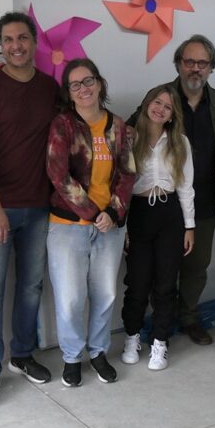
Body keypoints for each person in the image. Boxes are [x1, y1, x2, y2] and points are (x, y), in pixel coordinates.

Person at [0, 11, 59, 405]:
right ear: (0, 45)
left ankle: (22, 354)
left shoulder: (50, 88)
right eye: (8, 39)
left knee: (31, 287)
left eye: (22, 38)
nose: (16, 45)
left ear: (34, 42)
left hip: (39, 208)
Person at [127, 35, 215, 345]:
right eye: (189, 61)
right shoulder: (161, 97)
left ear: (211, 67)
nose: (195, 68)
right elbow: (131, 132)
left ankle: (188, 317)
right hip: (161, 202)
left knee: (196, 265)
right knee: (157, 268)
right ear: (178, 64)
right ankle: (158, 323)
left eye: (202, 63)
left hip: (203, 199)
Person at [46, 58, 135, 386]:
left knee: (105, 294)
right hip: (68, 226)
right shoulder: (63, 125)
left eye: (88, 81)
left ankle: (98, 352)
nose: (83, 89)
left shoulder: (119, 127)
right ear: (69, 93)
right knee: (70, 298)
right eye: (75, 84)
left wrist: (113, 213)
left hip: (110, 227)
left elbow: (127, 173)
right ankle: (72, 356)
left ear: (99, 84)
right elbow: (58, 174)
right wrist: (92, 213)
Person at [121, 84, 195, 371]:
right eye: (156, 102)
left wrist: (189, 227)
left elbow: (186, 187)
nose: (160, 109)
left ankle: (160, 342)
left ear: (173, 114)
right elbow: (121, 185)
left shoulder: (180, 143)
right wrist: (123, 226)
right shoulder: (129, 138)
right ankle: (132, 336)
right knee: (137, 282)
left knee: (165, 283)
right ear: (146, 103)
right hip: (138, 213)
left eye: (167, 106)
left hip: (169, 213)